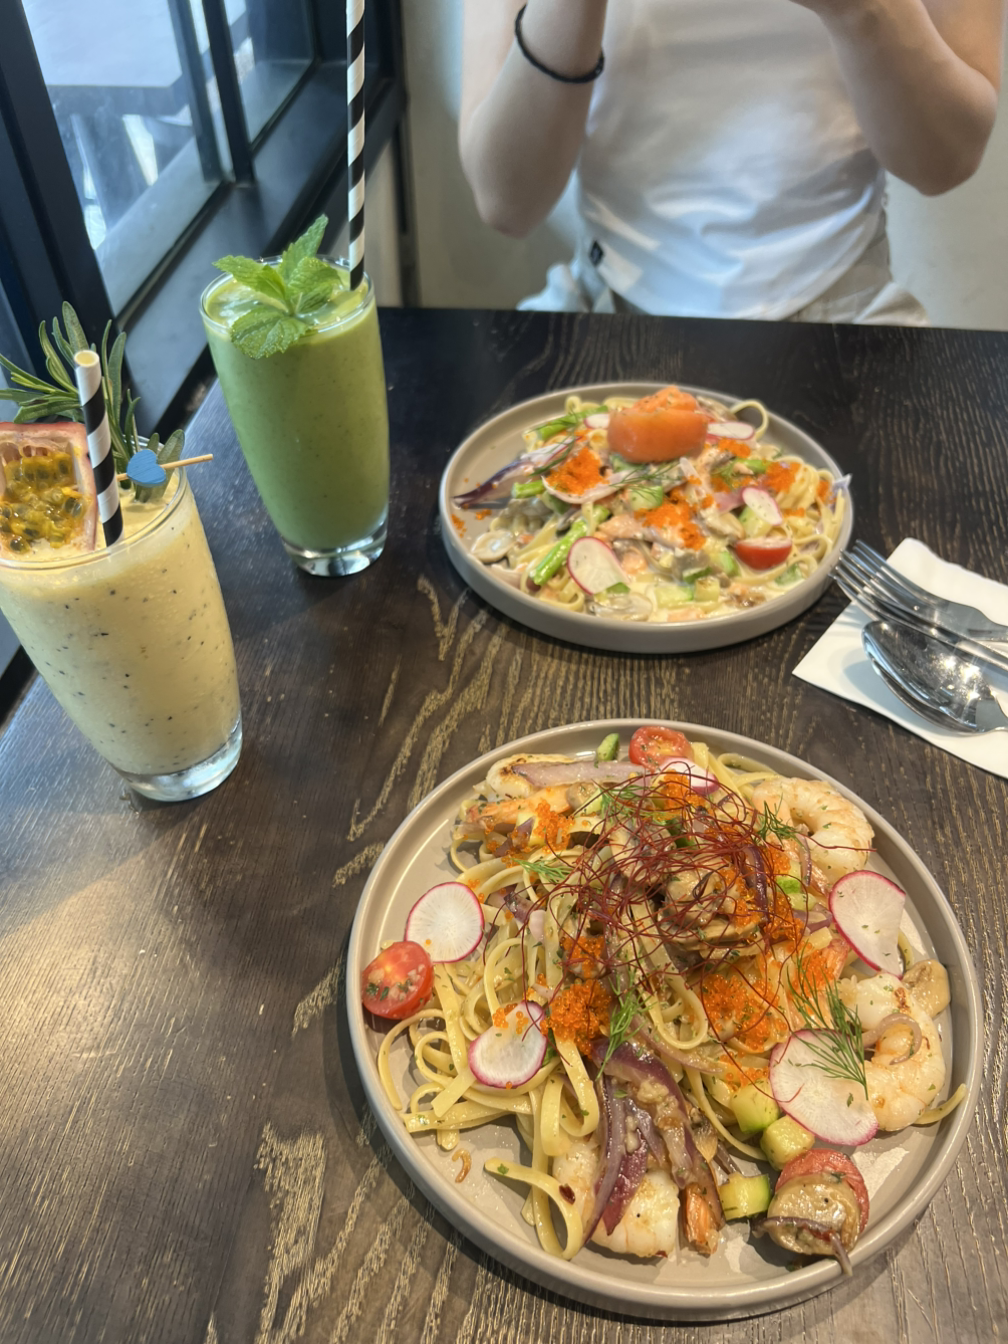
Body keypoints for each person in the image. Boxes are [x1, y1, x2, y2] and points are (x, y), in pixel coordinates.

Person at [459, 0, 1004, 323]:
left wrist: (860, 7)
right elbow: (507, 200)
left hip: (846, 312)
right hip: (607, 306)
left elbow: (945, 163)